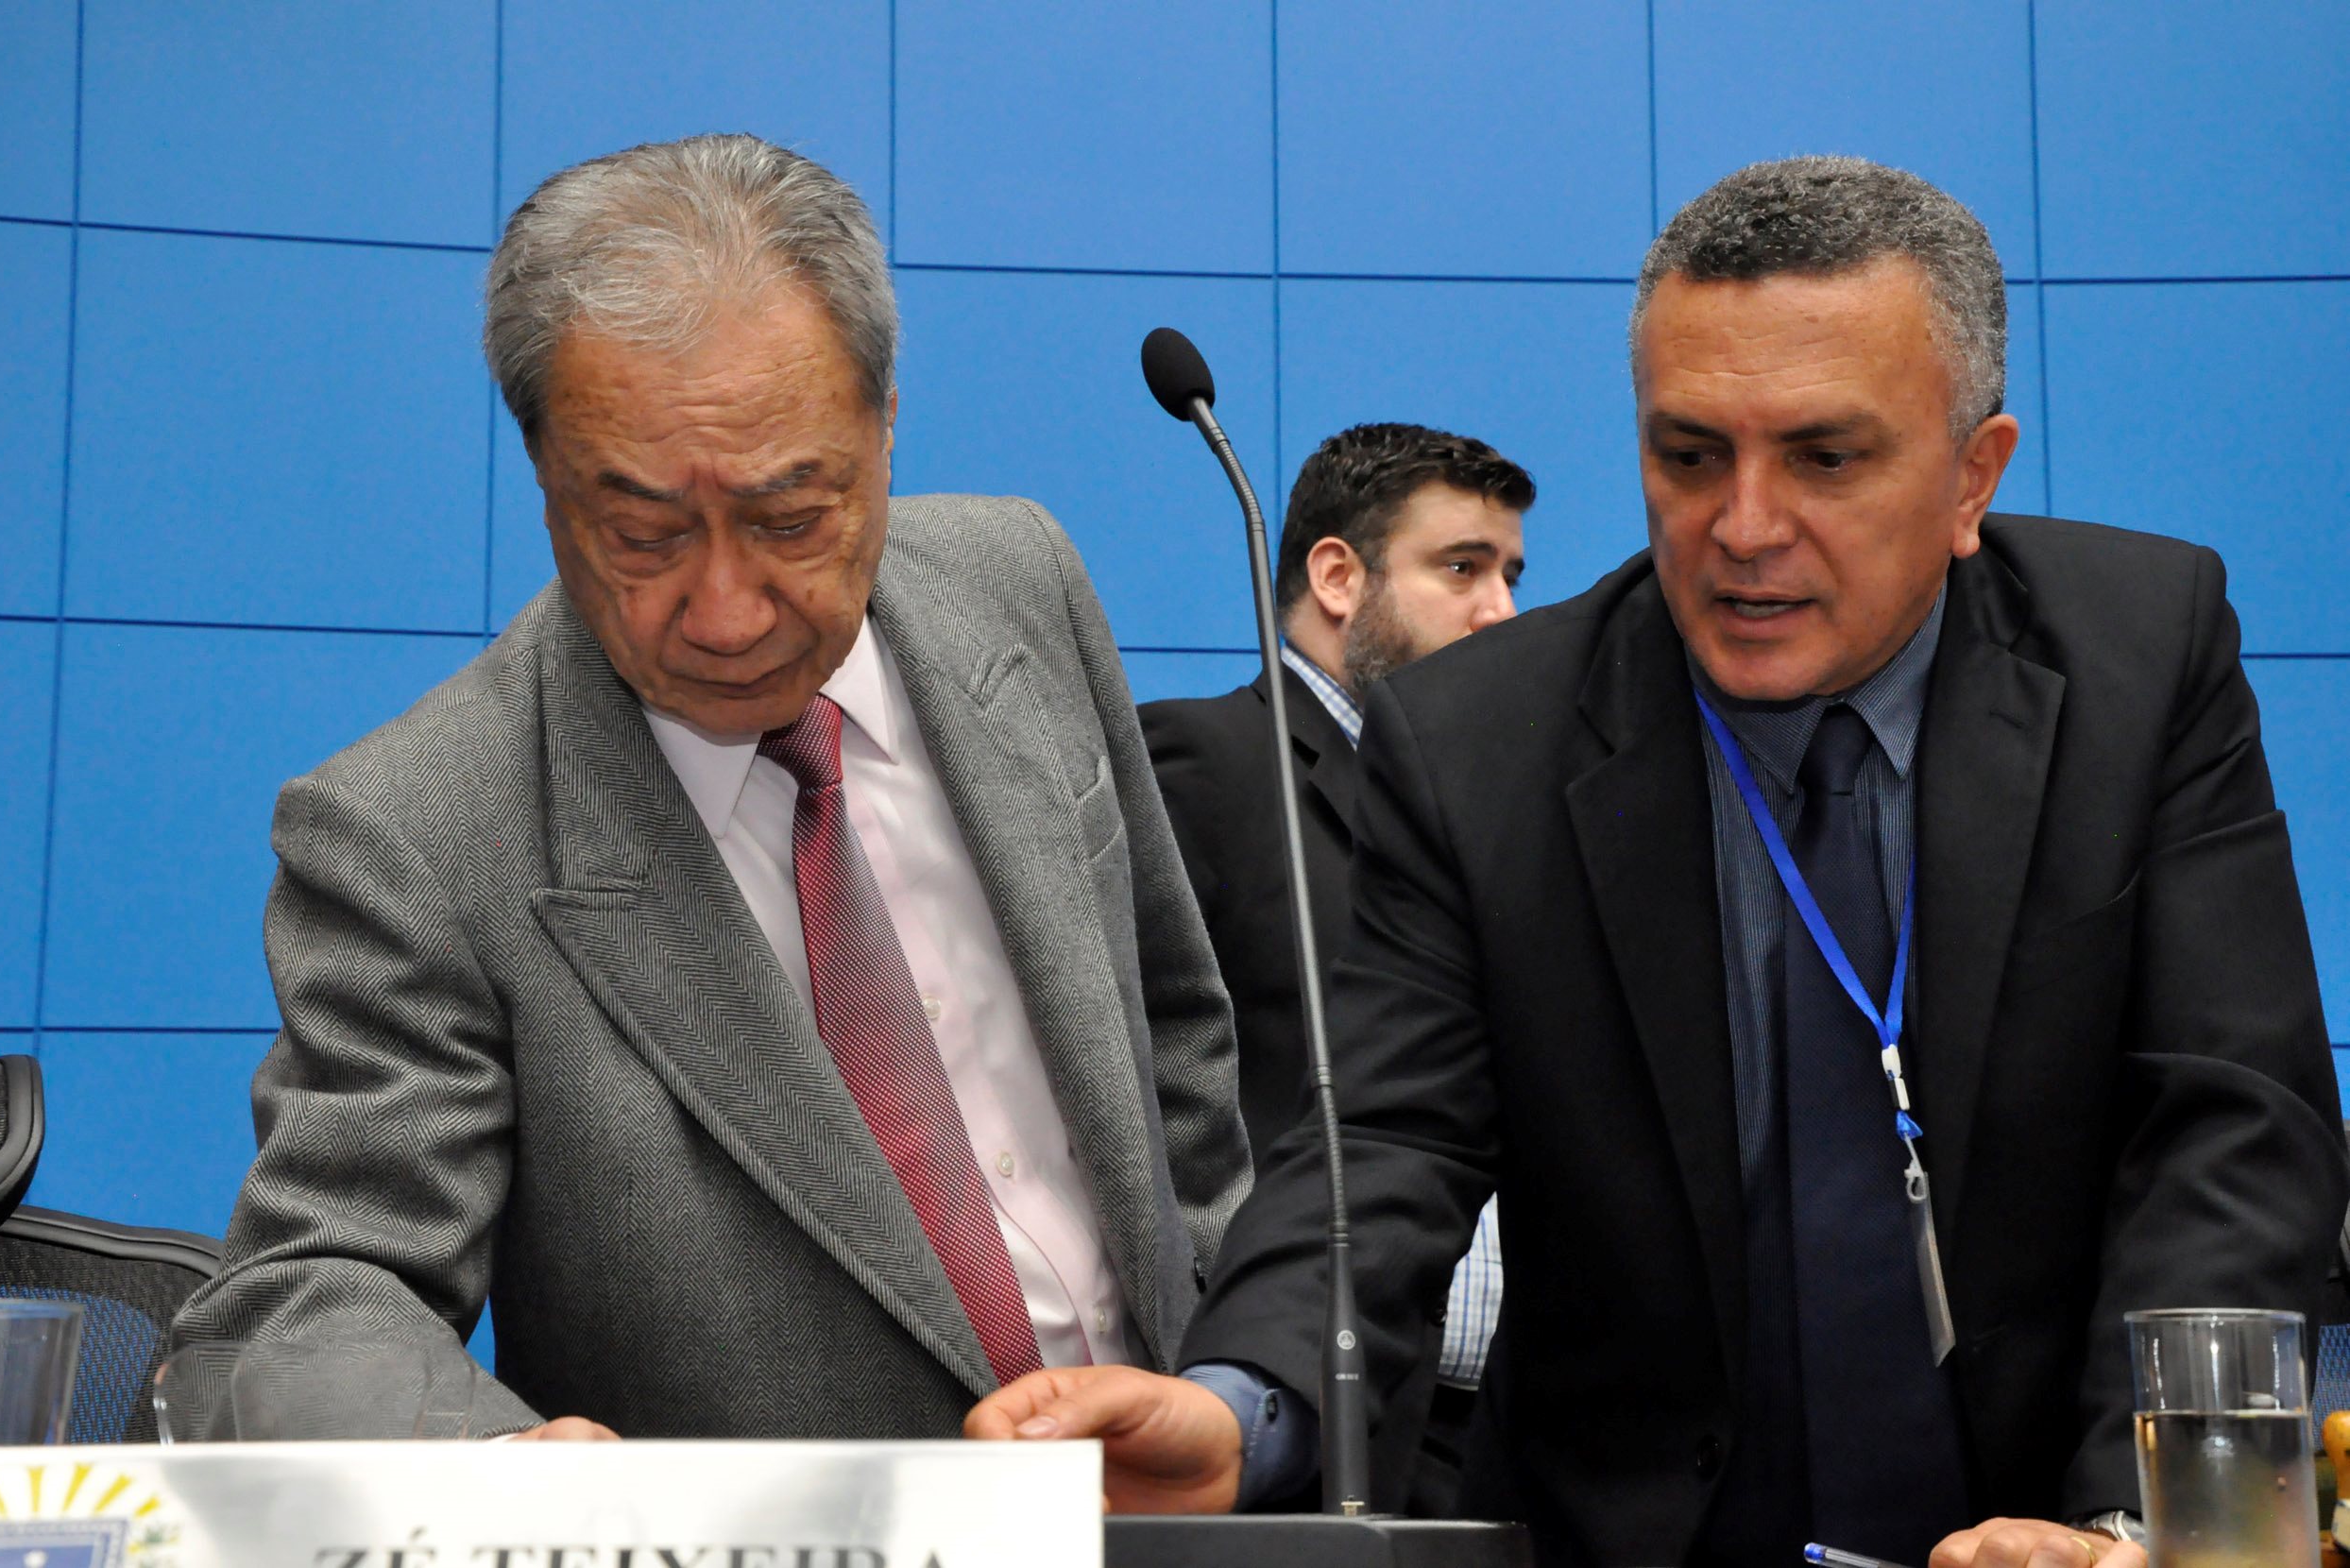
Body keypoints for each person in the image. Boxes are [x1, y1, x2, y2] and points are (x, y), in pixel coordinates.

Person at [966, 157, 2348, 1568]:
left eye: (1824, 457)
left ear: (1970, 475)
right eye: (1689, 456)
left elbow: (2231, 1121)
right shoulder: (1480, 737)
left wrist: (2129, 1523)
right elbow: (1382, 1142)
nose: (1742, 528)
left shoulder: (2139, 656)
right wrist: (1242, 1402)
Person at [171, 133, 1250, 1442]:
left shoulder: (1018, 578)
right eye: (643, 535)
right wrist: (480, 1463)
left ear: (885, 426)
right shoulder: (421, 830)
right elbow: (308, 1297)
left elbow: (1178, 1045)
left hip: (1175, 1498)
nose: (727, 613)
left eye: (791, 519)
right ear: (544, 475)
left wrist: (1235, 1390)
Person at [1138, 421, 1530, 1511]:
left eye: (1510, 573)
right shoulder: (1208, 762)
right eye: (1462, 568)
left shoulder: (1491, 813)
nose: (1500, 610)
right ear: (1337, 576)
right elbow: (1135, 1081)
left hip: (1497, 1441)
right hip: (1303, 1415)